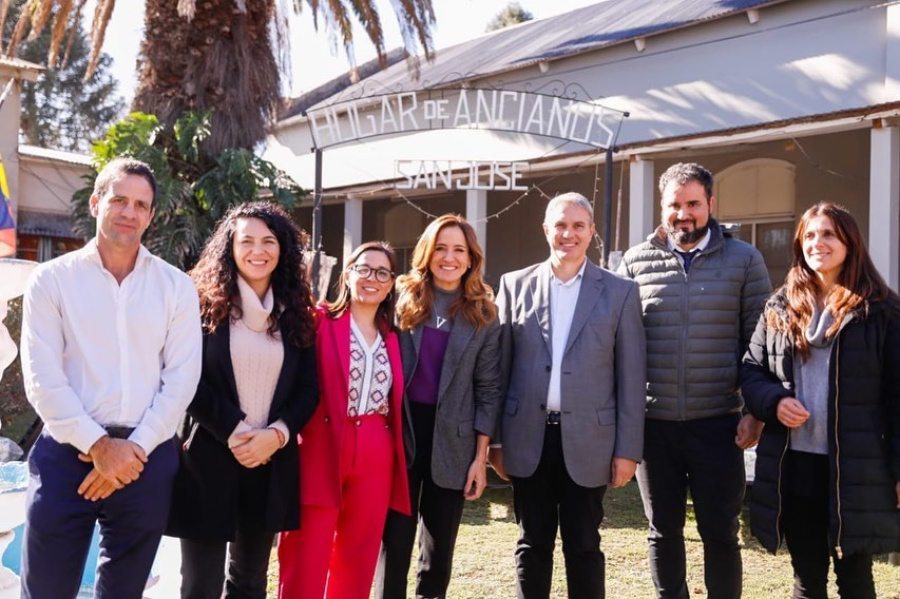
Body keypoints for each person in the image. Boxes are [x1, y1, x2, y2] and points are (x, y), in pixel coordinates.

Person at [19, 157, 203, 598]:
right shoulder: (51, 280)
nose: (129, 212)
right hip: (67, 455)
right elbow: (43, 378)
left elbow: (181, 379)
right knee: (45, 590)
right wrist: (100, 447)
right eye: (119, 200)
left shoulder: (176, 287)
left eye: (141, 205)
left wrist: (132, 451)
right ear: (96, 202)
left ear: (151, 215)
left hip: (147, 456)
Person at [617, 162, 772, 599]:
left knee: (720, 532)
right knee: (662, 531)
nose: (683, 214)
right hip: (654, 427)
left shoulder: (745, 260)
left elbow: (759, 343)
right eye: (674, 204)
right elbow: (621, 348)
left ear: (710, 204)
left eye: (693, 204)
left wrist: (755, 413)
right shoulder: (634, 262)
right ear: (662, 206)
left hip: (719, 423)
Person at [489, 192, 646, 599]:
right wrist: (496, 442)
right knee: (532, 543)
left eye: (578, 226)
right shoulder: (514, 285)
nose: (568, 234)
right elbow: (499, 369)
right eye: (560, 225)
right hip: (527, 438)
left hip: (591, 441)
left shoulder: (620, 292)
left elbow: (631, 378)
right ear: (546, 230)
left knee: (584, 546)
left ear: (591, 231)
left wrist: (627, 450)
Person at [741, 202, 900, 599]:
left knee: (856, 580)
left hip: (856, 468)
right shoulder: (781, 305)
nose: (818, 243)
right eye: (809, 235)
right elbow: (753, 370)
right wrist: (775, 402)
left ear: (850, 242)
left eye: (828, 234)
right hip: (795, 466)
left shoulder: (881, 310)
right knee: (806, 579)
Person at [166, 202, 319, 598]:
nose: (257, 250)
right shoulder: (200, 305)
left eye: (268, 241)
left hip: (270, 460)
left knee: (250, 583)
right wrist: (234, 430)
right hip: (208, 456)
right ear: (230, 247)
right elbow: (187, 379)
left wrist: (277, 434)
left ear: (283, 249)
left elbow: (308, 389)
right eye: (246, 241)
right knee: (201, 585)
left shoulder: (297, 313)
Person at [374, 214, 502, 599]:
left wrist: (480, 458)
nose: (449, 257)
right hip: (402, 435)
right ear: (427, 254)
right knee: (394, 542)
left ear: (471, 258)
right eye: (441, 248)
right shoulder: (399, 298)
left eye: (459, 250)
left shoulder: (484, 314)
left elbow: (488, 390)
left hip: (454, 442)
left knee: (438, 551)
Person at [278, 241, 410, 599]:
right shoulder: (318, 321)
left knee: (358, 553)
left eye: (382, 273)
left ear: (391, 283)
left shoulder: (394, 336)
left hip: (376, 447)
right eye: (363, 269)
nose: (372, 278)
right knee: (307, 549)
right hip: (321, 444)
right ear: (348, 274)